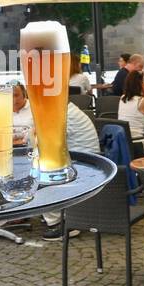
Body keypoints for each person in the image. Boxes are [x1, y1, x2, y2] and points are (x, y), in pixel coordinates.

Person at [40, 102, 103, 240]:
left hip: (85, 166)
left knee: (42, 171)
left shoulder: (60, 114)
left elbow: (45, 142)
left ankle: (62, 224)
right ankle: (53, 214)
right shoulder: (67, 109)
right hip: (89, 161)